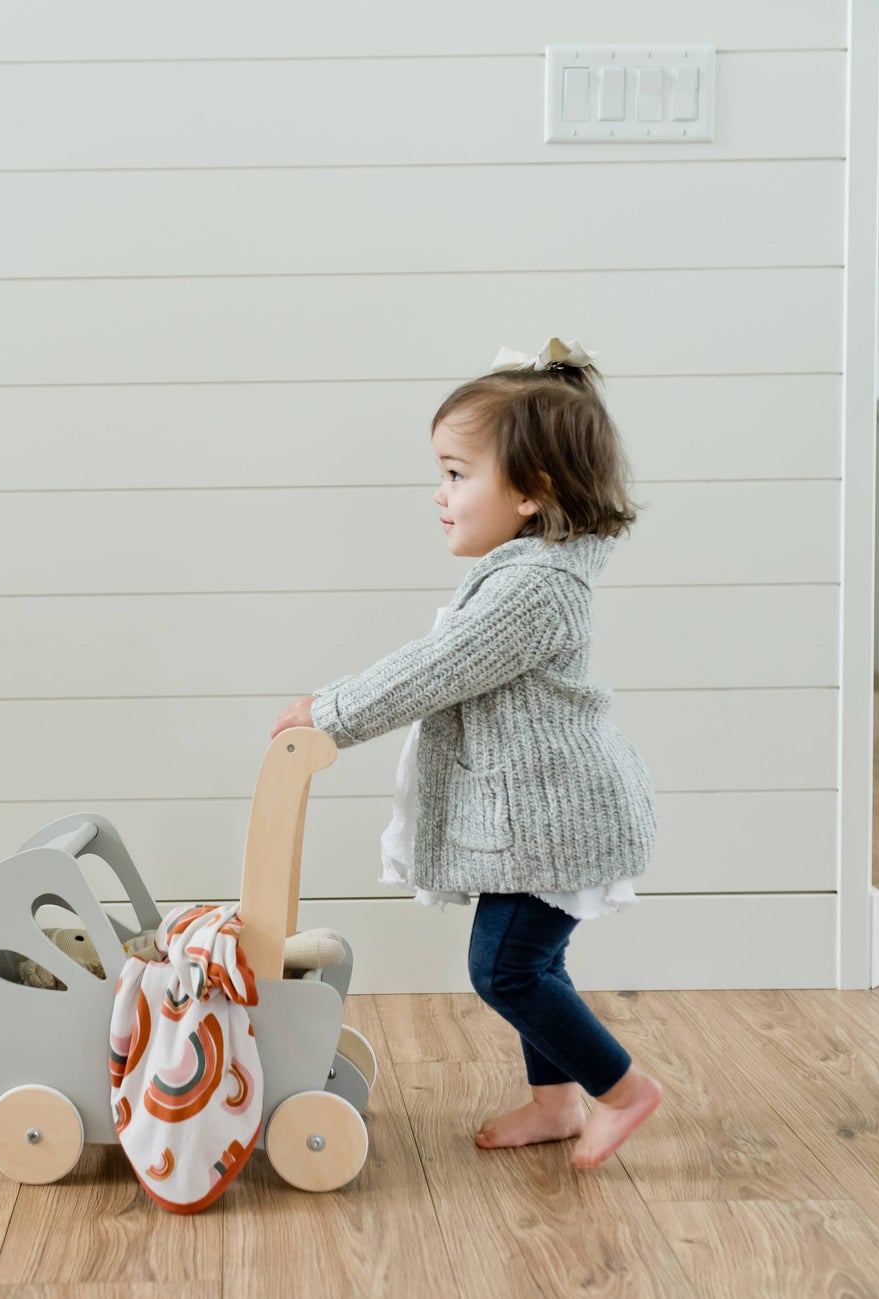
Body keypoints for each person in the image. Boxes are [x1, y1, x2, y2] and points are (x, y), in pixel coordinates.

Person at [270, 337, 663, 1168]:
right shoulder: (526, 572)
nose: (440, 495)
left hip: (555, 820)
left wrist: (329, 712)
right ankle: (555, 1103)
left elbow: (431, 672)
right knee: (537, 963)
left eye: (456, 474)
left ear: (532, 492)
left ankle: (623, 1091)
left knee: (506, 971)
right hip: (543, 814)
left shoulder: (535, 589)